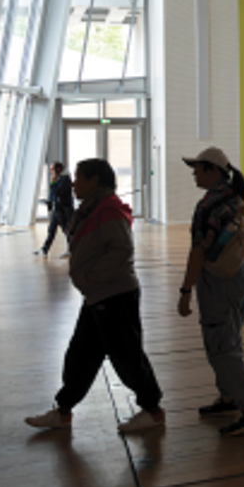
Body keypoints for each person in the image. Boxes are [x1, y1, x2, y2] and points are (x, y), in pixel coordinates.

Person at [25, 159, 165, 435]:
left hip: (114, 295)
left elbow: (121, 249)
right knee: (81, 355)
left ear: (95, 181)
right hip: (97, 297)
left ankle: (153, 410)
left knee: (126, 356)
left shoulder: (109, 209)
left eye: (79, 178)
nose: (73, 183)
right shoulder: (93, 208)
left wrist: (91, 278)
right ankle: (63, 410)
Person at [180, 147, 244, 437]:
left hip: (221, 281)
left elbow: (198, 252)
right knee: (229, 338)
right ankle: (229, 397)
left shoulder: (209, 205)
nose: (194, 173)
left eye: (198, 168)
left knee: (223, 346)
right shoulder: (240, 199)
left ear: (213, 171)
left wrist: (185, 290)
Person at [35, 162, 75, 258]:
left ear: (58, 169)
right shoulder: (58, 180)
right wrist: (49, 202)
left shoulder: (65, 179)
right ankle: (45, 249)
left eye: (52, 169)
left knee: (67, 230)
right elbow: (53, 194)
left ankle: (71, 250)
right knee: (52, 230)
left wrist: (52, 182)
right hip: (57, 209)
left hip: (64, 210)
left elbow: (58, 192)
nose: (50, 171)